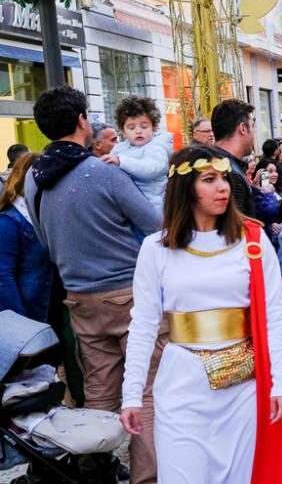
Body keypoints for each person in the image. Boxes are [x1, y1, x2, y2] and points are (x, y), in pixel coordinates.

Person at [120, 145, 282, 483]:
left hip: (242, 391)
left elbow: (276, 316)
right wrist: (132, 396)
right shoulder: (156, 249)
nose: (223, 187)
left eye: (224, 179)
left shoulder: (253, 240)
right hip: (181, 389)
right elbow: (142, 325)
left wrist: (281, 385)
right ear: (185, 188)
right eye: (209, 179)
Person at [24, 86, 164, 484]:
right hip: (128, 294)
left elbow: (45, 241)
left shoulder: (35, 180)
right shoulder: (104, 173)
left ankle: (94, 472)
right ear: (83, 120)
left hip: (79, 298)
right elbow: (156, 226)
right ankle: (146, 477)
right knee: (148, 391)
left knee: (100, 390)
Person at [0, 152, 52, 322]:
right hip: (30, 312)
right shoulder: (9, 221)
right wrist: (20, 321)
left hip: (51, 306)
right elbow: (3, 276)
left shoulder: (44, 212)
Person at [211, 99, 278, 222]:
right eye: (252, 126)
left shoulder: (216, 162)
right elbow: (237, 227)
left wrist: (255, 191)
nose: (254, 133)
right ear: (243, 128)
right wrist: (268, 196)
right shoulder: (229, 172)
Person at [103, 96, 173, 212]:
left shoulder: (157, 147)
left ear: (154, 128)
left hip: (152, 207)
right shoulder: (119, 149)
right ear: (123, 131)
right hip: (126, 205)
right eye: (131, 127)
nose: (138, 131)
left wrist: (121, 161)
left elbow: (151, 169)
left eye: (144, 126)